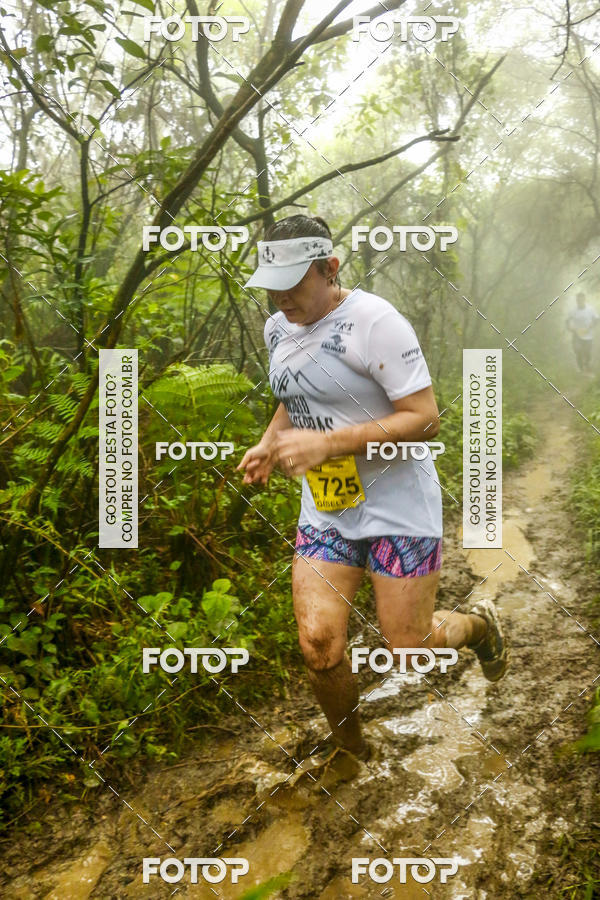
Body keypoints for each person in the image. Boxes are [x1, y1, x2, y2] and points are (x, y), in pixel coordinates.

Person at [237, 214, 508, 763]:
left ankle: (479, 628)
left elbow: (425, 418)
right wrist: (271, 442)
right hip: (330, 508)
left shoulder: (375, 322)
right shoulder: (277, 328)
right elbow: (295, 393)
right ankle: (352, 753)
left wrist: (330, 443)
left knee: (408, 650)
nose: (280, 296)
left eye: (293, 282)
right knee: (318, 645)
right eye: (272, 283)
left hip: (398, 504)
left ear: (329, 268)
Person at [567, 292, 599, 373]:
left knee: (587, 352)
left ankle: (587, 365)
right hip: (577, 334)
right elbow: (567, 320)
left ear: (584, 300)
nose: (579, 301)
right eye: (578, 300)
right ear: (576, 300)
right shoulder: (573, 310)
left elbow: (596, 319)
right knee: (578, 351)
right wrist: (570, 328)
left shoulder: (590, 309)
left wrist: (592, 326)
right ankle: (581, 369)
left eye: (581, 299)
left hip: (588, 335)